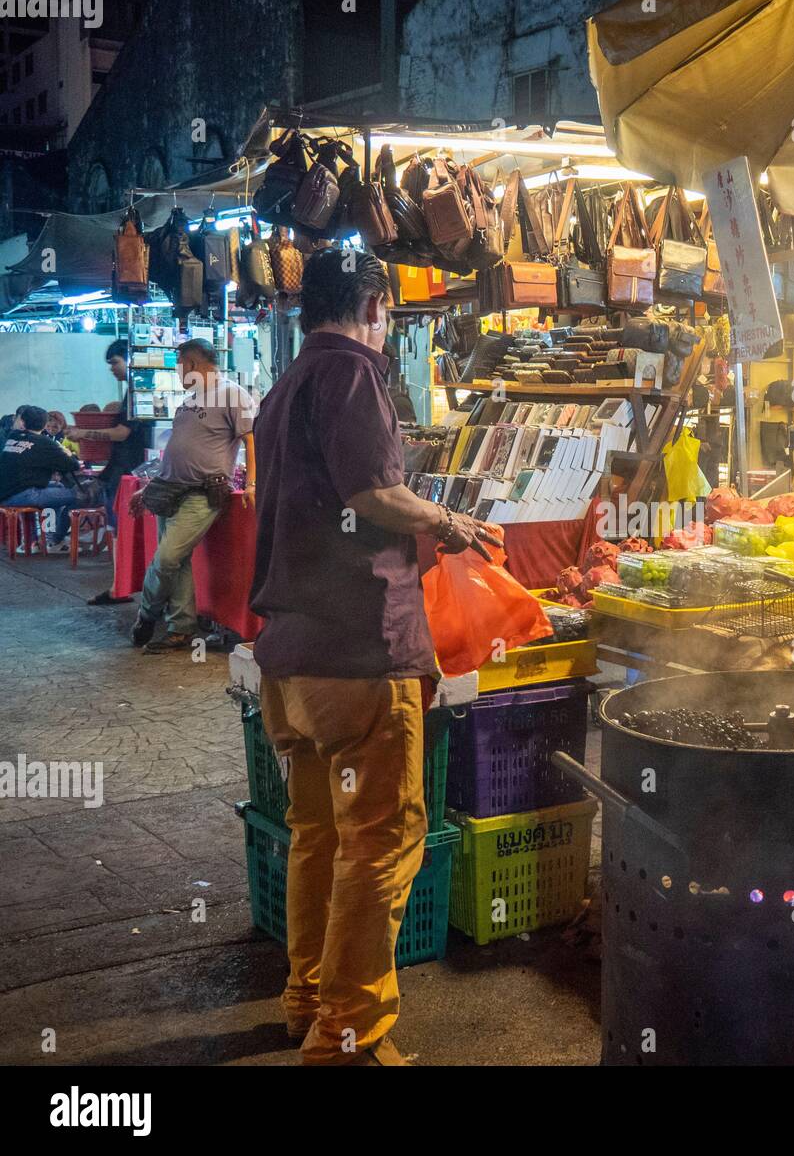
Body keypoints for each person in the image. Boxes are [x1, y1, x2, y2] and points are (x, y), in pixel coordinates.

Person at [249, 249, 498, 1067]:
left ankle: (308, 1000)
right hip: (358, 652)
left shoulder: (285, 386)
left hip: (290, 659)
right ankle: (348, 1036)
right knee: (382, 840)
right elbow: (372, 496)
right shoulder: (353, 373)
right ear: (375, 307)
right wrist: (449, 522)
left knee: (318, 833)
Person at [129, 339, 257, 654]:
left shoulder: (232, 394)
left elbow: (251, 441)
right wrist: (150, 488)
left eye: (179, 365)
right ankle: (180, 629)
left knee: (167, 558)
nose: (178, 371)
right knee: (178, 562)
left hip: (203, 493)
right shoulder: (190, 399)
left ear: (192, 363)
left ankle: (147, 613)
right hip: (168, 489)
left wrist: (252, 483)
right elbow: (177, 450)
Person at [66, 340, 155, 527]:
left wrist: (83, 433)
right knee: (117, 525)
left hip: (129, 469)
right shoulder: (133, 392)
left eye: (115, 362)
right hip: (123, 469)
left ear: (130, 360)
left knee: (120, 526)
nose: (111, 368)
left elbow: (121, 433)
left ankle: (118, 555)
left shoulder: (139, 393)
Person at [0, 405, 81, 550]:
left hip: (6, 494)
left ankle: (38, 540)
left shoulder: (13, 437)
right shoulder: (44, 442)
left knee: (58, 488)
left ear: (22, 422)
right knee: (79, 495)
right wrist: (67, 453)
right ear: (44, 425)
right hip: (24, 495)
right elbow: (73, 465)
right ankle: (56, 539)